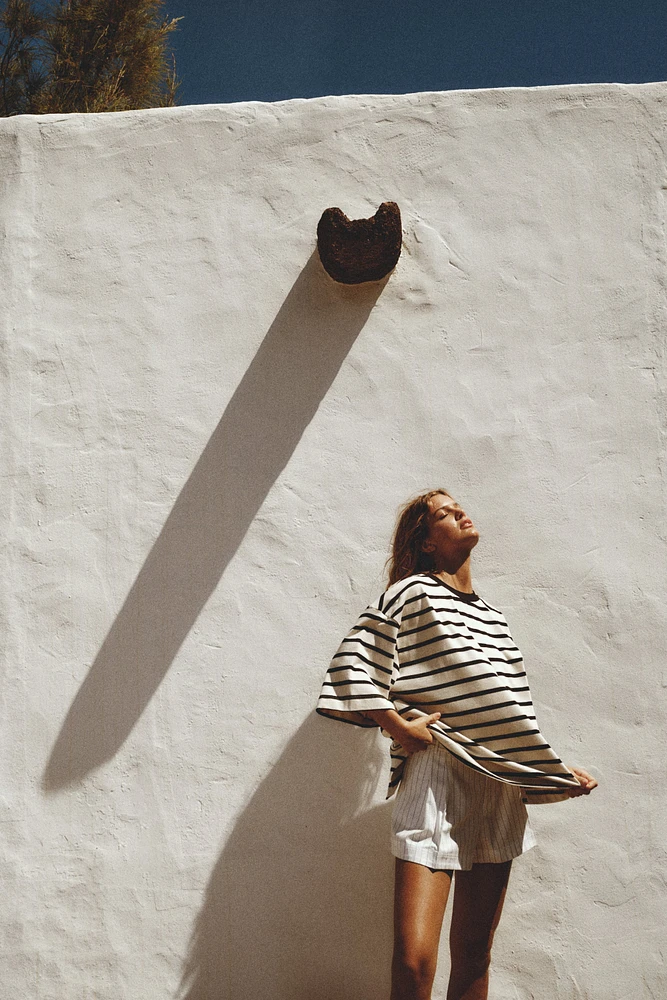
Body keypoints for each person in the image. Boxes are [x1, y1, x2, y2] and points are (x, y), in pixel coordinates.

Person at [316, 488, 597, 1000]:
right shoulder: (412, 593)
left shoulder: (495, 617)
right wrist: (399, 728)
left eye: (459, 507)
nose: (462, 513)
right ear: (425, 542)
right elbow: (353, 665)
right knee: (414, 958)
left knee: (473, 953)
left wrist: (550, 770)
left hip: (498, 786)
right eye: (445, 514)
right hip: (436, 773)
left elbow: (504, 710)